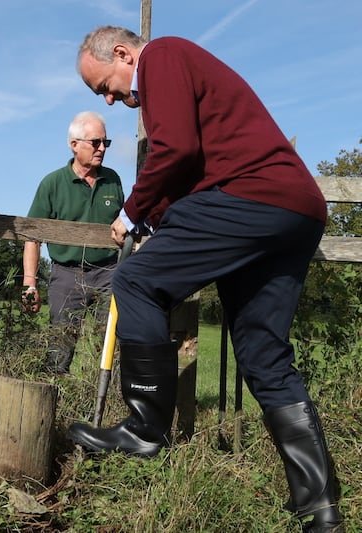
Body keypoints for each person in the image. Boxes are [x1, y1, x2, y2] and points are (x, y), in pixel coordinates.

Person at [66, 26, 343, 532]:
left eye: (103, 84)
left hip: (253, 198)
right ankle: (320, 511)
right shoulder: (182, 71)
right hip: (295, 209)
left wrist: (131, 213)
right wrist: (154, 212)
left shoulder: (163, 56)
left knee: (135, 281)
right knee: (263, 356)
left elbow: (174, 150)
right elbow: (195, 167)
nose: (110, 98)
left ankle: (145, 427)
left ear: (124, 54)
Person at [21, 111, 124, 374]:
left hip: (108, 272)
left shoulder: (113, 180)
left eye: (106, 143)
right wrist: (29, 284)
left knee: (111, 343)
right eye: (96, 142)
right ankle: (54, 400)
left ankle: (105, 403)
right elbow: (33, 235)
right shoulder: (52, 183)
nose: (102, 148)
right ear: (74, 144)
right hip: (67, 273)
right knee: (59, 346)